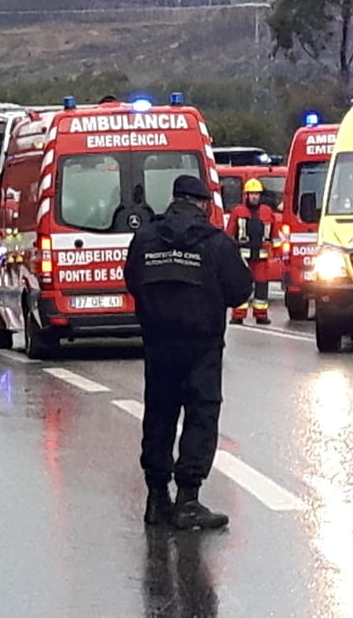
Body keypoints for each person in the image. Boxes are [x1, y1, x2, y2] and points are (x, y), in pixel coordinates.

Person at [124, 174, 253, 530]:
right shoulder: (215, 242)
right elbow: (241, 289)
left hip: (159, 343)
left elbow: (132, 280)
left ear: (174, 200)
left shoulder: (146, 238)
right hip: (202, 346)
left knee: (160, 415)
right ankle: (188, 499)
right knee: (200, 415)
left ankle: (156, 498)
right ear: (204, 204)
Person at [226, 178, 276, 325]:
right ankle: (238, 315)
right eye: (252, 194)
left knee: (261, 287)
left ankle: (261, 315)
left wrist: (276, 254)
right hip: (242, 258)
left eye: (257, 194)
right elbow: (229, 234)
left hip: (261, 258)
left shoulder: (267, 212)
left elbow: (275, 235)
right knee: (240, 285)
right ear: (246, 195)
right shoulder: (238, 211)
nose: (254, 197)